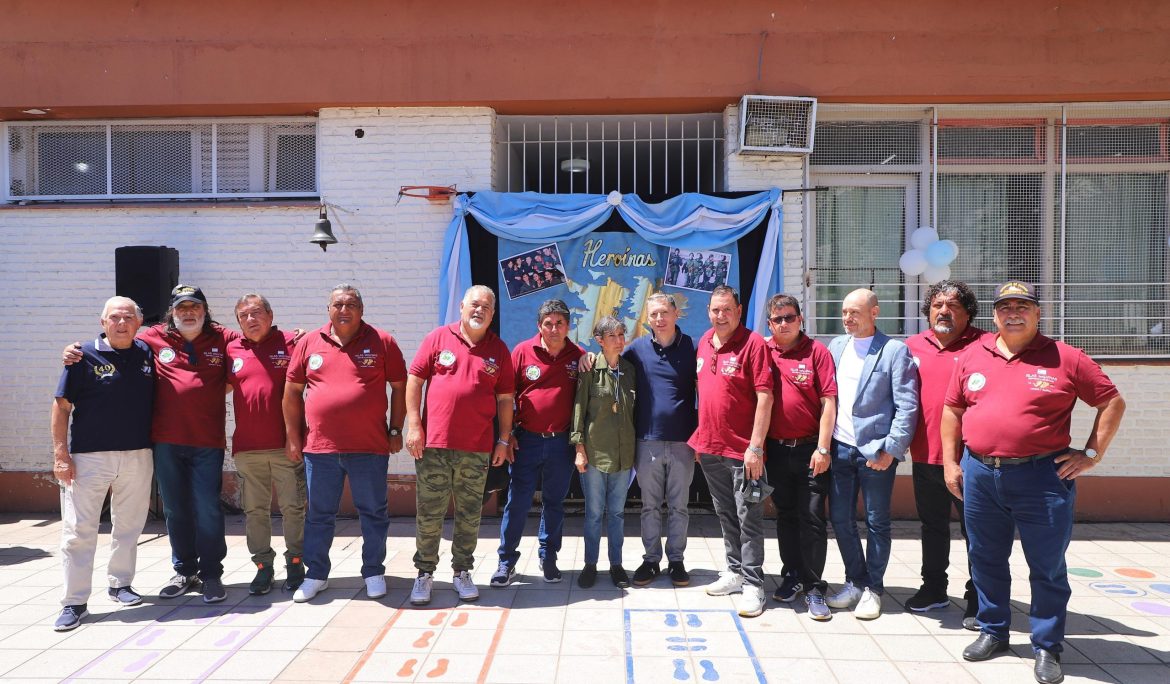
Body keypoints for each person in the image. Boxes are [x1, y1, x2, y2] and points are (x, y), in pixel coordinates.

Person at [943, 281, 1125, 684]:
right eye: (1005, 306)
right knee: (986, 558)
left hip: (1042, 476)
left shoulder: (1066, 357)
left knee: (1046, 566)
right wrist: (950, 463)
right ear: (993, 315)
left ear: (1037, 314)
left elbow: (1111, 402)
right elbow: (952, 409)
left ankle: (1047, 645)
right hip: (980, 472)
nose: (1013, 312)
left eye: (1022, 306)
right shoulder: (974, 353)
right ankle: (993, 631)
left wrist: (1091, 454)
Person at [283, 284, 407, 603]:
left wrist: (396, 430)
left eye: (350, 304)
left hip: (369, 447)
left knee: (373, 512)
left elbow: (400, 386)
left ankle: (374, 571)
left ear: (361, 310)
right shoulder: (309, 342)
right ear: (328, 310)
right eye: (337, 304)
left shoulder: (383, 341)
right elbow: (292, 392)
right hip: (320, 448)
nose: (344, 310)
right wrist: (294, 437)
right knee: (319, 514)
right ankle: (316, 575)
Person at [51, 297, 155, 631]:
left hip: (138, 454)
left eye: (128, 317)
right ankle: (74, 602)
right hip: (88, 458)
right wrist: (60, 455)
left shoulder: (147, 353)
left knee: (129, 525)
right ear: (102, 322)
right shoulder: (82, 355)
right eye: (114, 318)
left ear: (139, 322)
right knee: (79, 531)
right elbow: (62, 406)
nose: (121, 323)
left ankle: (120, 584)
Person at [406, 285, 515, 606]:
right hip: (433, 446)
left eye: (486, 307)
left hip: (477, 448)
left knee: (469, 515)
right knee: (429, 513)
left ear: (493, 314)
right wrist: (414, 425)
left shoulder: (499, 350)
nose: (479, 310)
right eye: (474, 305)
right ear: (462, 307)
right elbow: (415, 380)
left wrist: (503, 440)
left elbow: (506, 398)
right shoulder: (437, 338)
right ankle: (424, 574)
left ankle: (462, 571)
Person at [825, 289, 919, 620]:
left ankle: (873, 589)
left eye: (855, 312)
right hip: (841, 448)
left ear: (875, 312)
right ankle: (855, 580)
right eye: (844, 312)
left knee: (877, 522)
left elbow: (907, 406)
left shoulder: (895, 351)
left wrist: (892, 450)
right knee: (840, 518)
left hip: (876, 452)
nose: (848, 318)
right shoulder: (837, 346)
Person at [144, 285, 241, 603]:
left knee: (207, 508)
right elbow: (116, 344)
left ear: (205, 310)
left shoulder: (222, 337)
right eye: (181, 307)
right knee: (175, 509)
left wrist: (292, 338)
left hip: (206, 441)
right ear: (172, 311)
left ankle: (212, 574)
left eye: (194, 307)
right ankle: (184, 570)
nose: (188, 312)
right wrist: (80, 350)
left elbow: (255, 344)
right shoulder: (152, 337)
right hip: (166, 440)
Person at [689, 285, 774, 618]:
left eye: (727, 310)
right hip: (710, 448)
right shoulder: (704, 342)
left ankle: (754, 585)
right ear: (708, 311)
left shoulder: (753, 345)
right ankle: (735, 571)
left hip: (743, 452)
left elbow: (765, 398)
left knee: (748, 518)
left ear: (739, 311)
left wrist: (755, 447)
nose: (720, 316)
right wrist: (702, 440)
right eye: (715, 310)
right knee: (725, 514)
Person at [904, 280, 984, 625]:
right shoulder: (911, 347)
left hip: (971, 460)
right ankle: (934, 589)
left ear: (968, 313)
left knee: (977, 532)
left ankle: (979, 597)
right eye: (937, 305)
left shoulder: (986, 345)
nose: (944, 311)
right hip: (924, 455)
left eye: (953, 306)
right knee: (932, 526)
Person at [492, 299, 582, 586]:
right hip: (526, 441)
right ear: (539, 326)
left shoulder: (578, 355)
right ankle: (506, 561)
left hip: (561, 443)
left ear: (568, 326)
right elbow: (505, 396)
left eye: (560, 323)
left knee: (554, 503)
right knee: (517, 502)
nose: (554, 329)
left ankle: (549, 556)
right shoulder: (521, 352)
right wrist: (508, 437)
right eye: (548, 323)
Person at [763, 294, 838, 621]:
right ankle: (791, 574)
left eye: (789, 317)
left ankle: (814, 585)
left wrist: (823, 448)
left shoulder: (817, 352)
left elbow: (829, 403)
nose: (784, 324)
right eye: (778, 319)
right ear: (769, 323)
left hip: (810, 450)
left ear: (800, 319)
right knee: (786, 515)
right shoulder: (763, 351)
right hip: (776, 450)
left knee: (812, 517)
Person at [226, 293, 306, 595]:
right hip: (247, 448)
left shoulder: (292, 343)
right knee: (254, 511)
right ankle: (263, 567)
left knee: (293, 508)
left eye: (257, 312)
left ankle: (296, 562)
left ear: (270, 316)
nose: (251, 319)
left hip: (287, 445)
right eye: (244, 315)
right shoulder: (231, 349)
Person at [625, 292, 697, 587]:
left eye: (664, 313)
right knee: (649, 506)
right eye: (653, 314)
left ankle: (676, 561)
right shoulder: (637, 349)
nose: (659, 319)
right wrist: (584, 359)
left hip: (683, 442)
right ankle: (651, 560)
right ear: (647, 318)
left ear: (675, 313)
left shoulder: (693, 346)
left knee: (679, 506)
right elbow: (612, 361)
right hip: (648, 440)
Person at [570, 316, 637, 588]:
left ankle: (617, 564)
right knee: (594, 513)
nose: (620, 341)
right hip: (595, 454)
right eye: (613, 336)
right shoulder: (588, 369)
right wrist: (579, 449)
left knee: (618, 513)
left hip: (624, 454)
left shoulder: (630, 370)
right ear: (600, 340)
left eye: (622, 335)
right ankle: (590, 564)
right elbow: (578, 411)